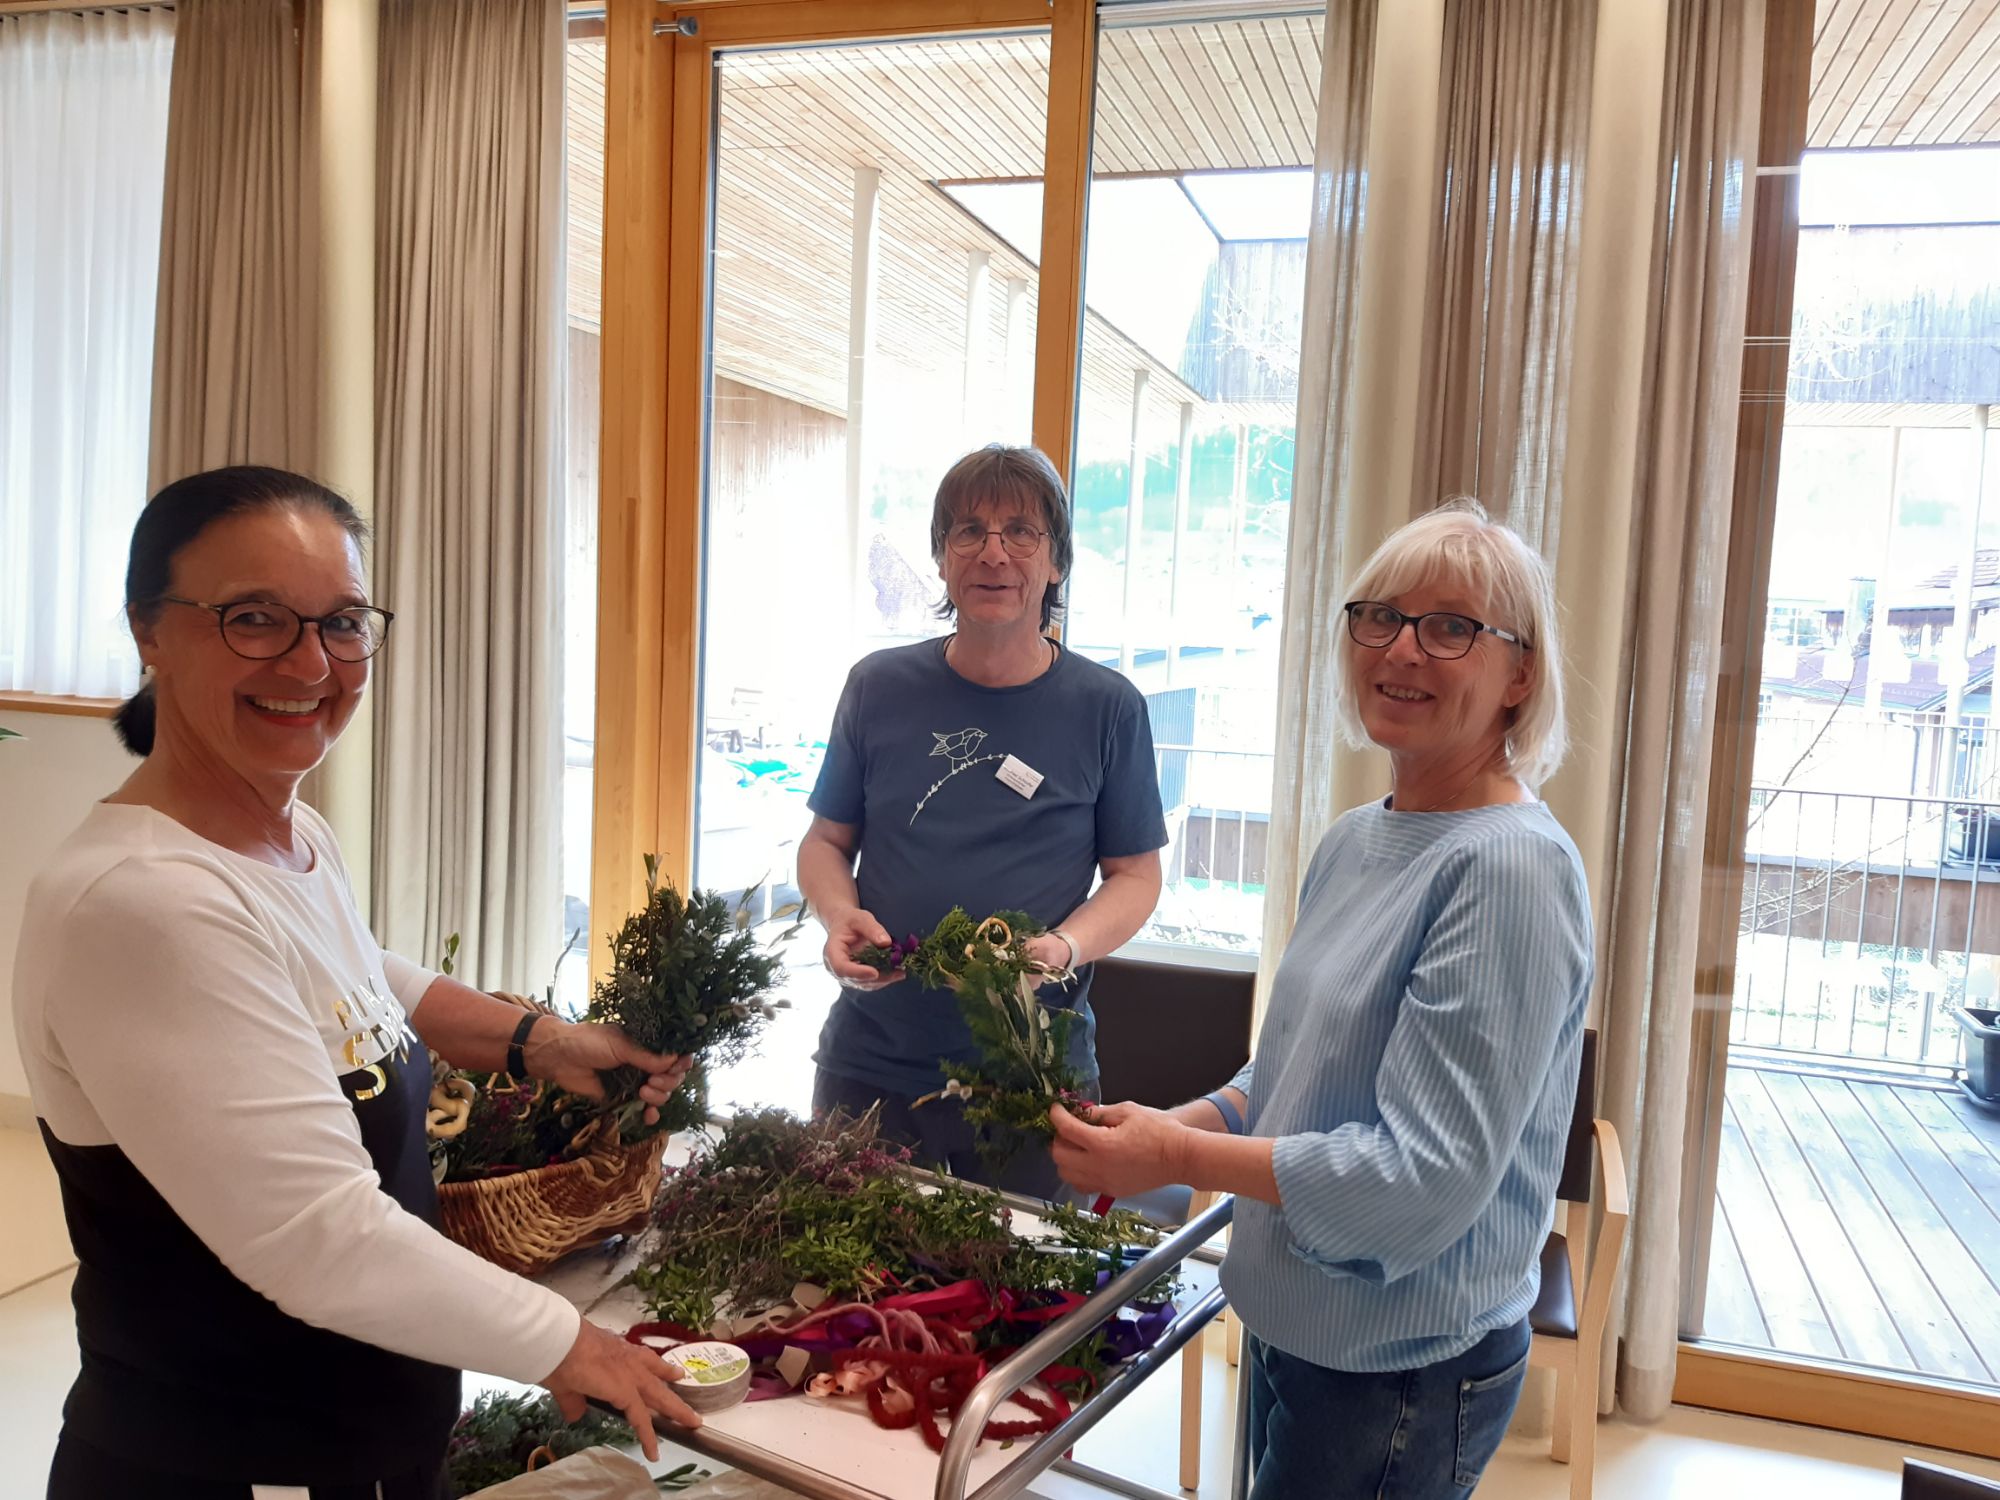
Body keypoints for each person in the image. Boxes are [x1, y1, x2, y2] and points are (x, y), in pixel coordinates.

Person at [14, 467, 703, 1499]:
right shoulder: (138, 903)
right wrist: (574, 1345)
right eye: (254, 618)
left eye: (341, 623)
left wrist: (543, 1043)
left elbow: (359, 979)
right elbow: (319, 1239)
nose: (310, 662)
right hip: (227, 1461)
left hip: (357, 1443)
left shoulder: (286, 837)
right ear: (149, 631)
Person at [1047, 499, 1593, 1499]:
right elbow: (1291, 1067)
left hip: (1397, 1368)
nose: (1401, 650)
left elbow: (1417, 1180)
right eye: (1377, 617)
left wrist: (1173, 1157)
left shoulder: (1507, 872)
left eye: (1451, 628)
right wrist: (1176, 1123)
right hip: (1292, 1320)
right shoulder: (1357, 837)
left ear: (1519, 675)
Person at [798, 444, 1167, 1199]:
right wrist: (839, 913)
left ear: (1057, 561)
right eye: (969, 530)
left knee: (1019, 1308)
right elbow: (825, 841)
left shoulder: (1108, 707)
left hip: (1031, 1076)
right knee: (843, 1293)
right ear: (940, 558)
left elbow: (1136, 876)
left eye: (1021, 531)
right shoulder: (877, 687)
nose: (993, 552)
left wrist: (1064, 948)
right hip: (871, 1064)